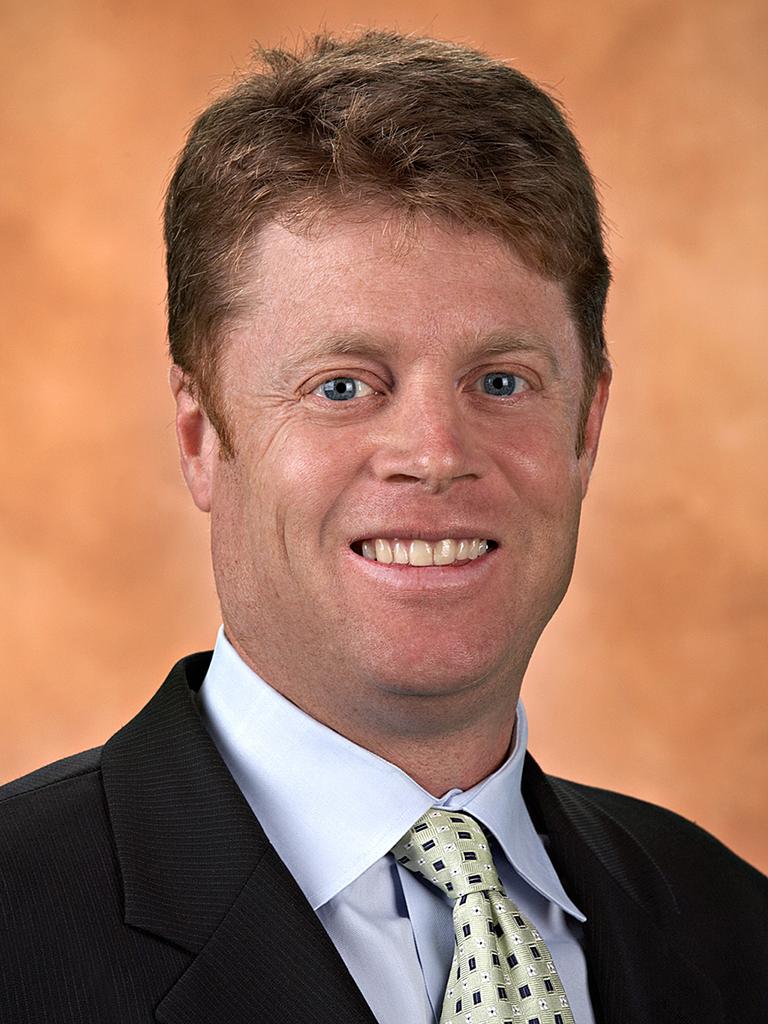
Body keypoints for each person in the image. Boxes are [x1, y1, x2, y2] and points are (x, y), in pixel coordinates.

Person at [0, 29, 765, 1024]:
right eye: (343, 385)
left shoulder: (734, 928)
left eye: (502, 382)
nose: (435, 454)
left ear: (587, 425)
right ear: (201, 434)